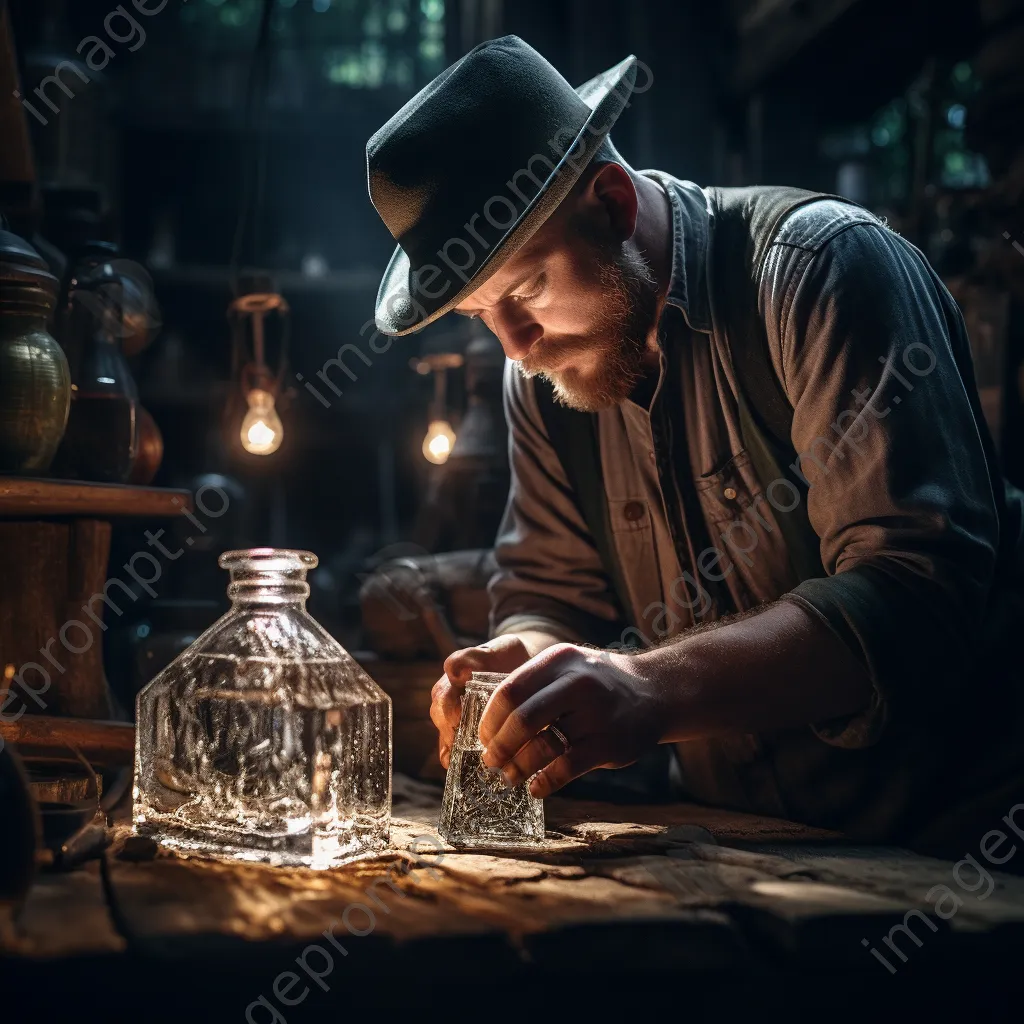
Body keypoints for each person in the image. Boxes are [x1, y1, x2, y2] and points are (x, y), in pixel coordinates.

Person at [366, 36, 1024, 852]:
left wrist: (647, 689)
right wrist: (527, 669)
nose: (515, 346)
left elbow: (917, 594)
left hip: (962, 846)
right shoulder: (544, 373)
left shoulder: (820, 272)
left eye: (527, 287)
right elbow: (549, 591)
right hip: (749, 847)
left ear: (610, 201)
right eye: (479, 314)